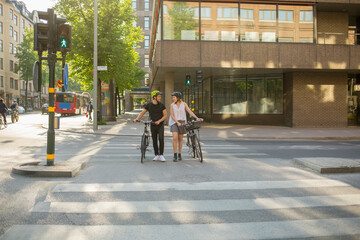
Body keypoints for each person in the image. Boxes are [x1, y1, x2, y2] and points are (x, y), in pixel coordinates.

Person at [134, 90, 167, 162]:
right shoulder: (149, 105)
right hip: (152, 124)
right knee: (154, 139)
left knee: (161, 139)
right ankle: (156, 155)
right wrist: (137, 119)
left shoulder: (162, 105)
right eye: (159, 96)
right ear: (154, 97)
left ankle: (161, 155)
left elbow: (165, 115)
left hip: (160, 124)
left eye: (160, 96)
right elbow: (142, 113)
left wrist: (159, 121)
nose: (160, 98)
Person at [169, 92, 203, 162]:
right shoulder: (172, 105)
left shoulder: (184, 104)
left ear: (178, 97)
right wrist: (177, 122)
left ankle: (179, 154)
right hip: (174, 122)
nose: (173, 99)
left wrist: (197, 118)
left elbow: (190, 112)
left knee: (180, 139)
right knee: (175, 138)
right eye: (172, 97)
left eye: (174, 97)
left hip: (182, 122)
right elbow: (172, 115)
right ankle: (175, 154)